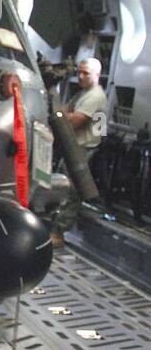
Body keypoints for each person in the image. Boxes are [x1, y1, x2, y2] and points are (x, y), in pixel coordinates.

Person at [51, 58, 107, 247]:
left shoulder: (95, 96)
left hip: (83, 150)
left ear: (97, 75)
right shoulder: (82, 94)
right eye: (79, 72)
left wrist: (62, 116)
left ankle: (58, 232)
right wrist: (63, 115)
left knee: (73, 192)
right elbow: (61, 113)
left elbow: (73, 121)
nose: (80, 76)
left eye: (86, 73)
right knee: (64, 187)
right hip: (73, 147)